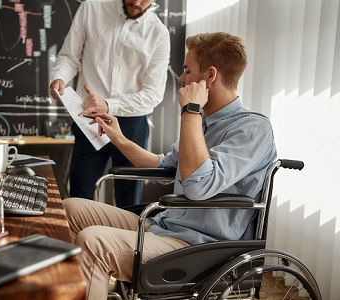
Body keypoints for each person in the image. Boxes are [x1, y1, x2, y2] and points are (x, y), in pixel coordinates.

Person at [63, 32, 277, 299]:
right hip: (162, 225)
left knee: (92, 242)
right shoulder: (203, 121)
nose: (181, 78)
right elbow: (164, 165)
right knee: (69, 209)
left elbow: (199, 187)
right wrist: (117, 138)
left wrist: (191, 110)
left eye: (187, 70)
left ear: (209, 76)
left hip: (199, 246)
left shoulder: (252, 128)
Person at [49, 0, 170, 207]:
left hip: (131, 126)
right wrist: (60, 77)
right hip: (88, 121)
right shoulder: (91, 8)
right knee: (80, 197)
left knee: (129, 202)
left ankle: (124, 240)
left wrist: (108, 104)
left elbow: (153, 94)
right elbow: (69, 57)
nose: (137, 2)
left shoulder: (159, 33)